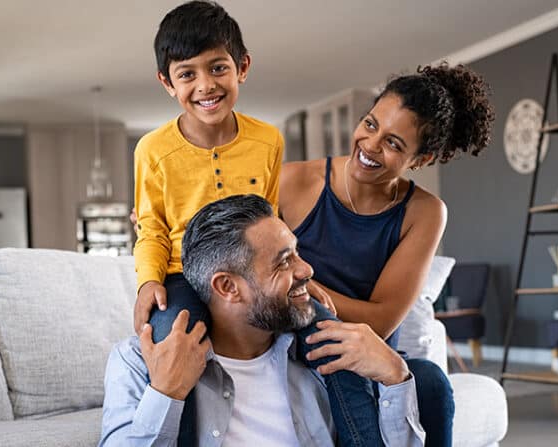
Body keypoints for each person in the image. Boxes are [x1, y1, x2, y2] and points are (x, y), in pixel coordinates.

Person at [133, 2, 386, 445]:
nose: (206, 85)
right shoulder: (152, 151)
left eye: (217, 68)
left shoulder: (267, 139)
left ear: (242, 67)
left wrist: (295, 277)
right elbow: (151, 228)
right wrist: (147, 281)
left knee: (331, 335)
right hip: (181, 274)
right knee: (177, 350)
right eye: (187, 74)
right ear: (167, 83)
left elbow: (270, 223)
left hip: (252, 272)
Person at [279, 63, 495, 446]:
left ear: (421, 160)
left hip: (373, 355)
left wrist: (308, 287)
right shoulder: (291, 181)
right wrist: (309, 304)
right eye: (371, 124)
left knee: (430, 382)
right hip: (298, 342)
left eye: (394, 144)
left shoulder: (424, 212)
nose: (370, 145)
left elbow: (381, 320)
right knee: (335, 350)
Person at [101, 194, 425, 446]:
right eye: (284, 262)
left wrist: (396, 377)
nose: (307, 271)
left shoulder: (326, 356)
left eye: (297, 253)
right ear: (228, 287)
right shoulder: (137, 363)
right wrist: (166, 393)